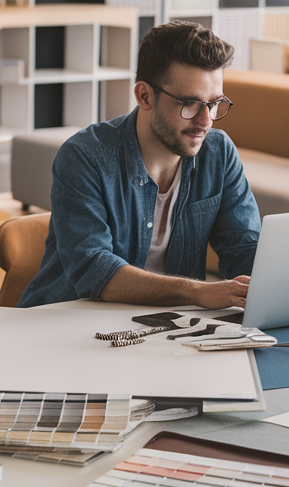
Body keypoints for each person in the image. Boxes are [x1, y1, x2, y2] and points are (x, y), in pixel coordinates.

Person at [18, 20, 260, 308]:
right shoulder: (85, 157)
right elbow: (95, 272)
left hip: (167, 331)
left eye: (214, 103)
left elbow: (244, 249)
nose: (205, 121)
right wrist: (196, 292)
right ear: (144, 95)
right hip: (67, 325)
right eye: (189, 104)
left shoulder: (219, 154)